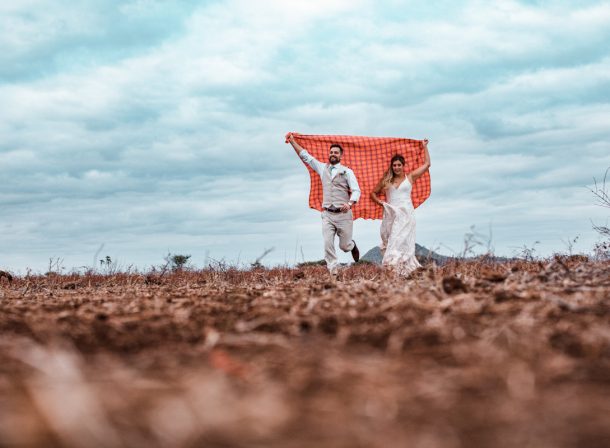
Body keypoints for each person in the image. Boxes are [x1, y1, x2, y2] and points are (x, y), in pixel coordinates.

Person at [288, 134, 361, 276]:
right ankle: (334, 271)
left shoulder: (347, 171)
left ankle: (351, 245)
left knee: (344, 246)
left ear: (341, 155)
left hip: (344, 215)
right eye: (331, 152)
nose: (333, 154)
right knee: (328, 243)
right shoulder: (322, 168)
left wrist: (350, 203)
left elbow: (357, 190)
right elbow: (306, 156)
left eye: (336, 153)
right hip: (327, 214)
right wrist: (292, 141)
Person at [370, 140, 431, 276]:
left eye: (399, 165)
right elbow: (373, 193)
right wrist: (381, 203)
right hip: (392, 214)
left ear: (403, 166)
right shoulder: (387, 180)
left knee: (402, 241)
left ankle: (396, 269)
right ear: (392, 167)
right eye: (394, 165)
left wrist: (424, 147)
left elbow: (427, 164)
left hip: (406, 214)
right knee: (391, 239)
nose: (396, 167)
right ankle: (398, 271)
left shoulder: (410, 177)